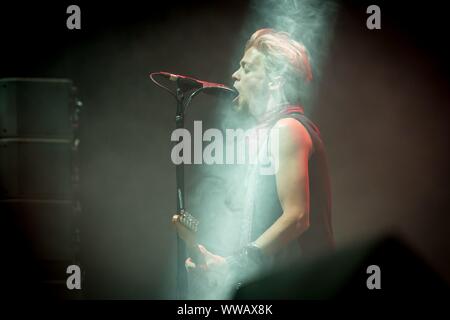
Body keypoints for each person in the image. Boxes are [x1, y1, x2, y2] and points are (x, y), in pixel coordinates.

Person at [177, 28, 334, 299]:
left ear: (275, 80)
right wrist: (222, 267)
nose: (235, 75)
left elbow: (297, 217)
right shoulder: (269, 134)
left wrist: (235, 264)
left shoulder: (288, 128)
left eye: (247, 68)